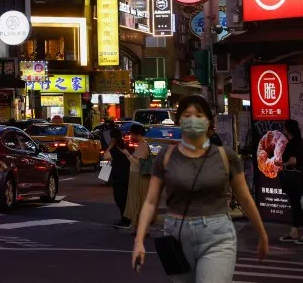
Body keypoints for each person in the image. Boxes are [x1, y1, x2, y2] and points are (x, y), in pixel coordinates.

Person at [132, 95, 268, 281]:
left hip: (217, 234)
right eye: (187, 115)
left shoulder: (225, 156)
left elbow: (245, 198)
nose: (193, 120)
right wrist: (139, 240)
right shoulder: (166, 156)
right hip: (177, 235)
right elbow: (150, 201)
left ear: (209, 121)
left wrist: (262, 234)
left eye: (199, 115)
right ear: (179, 120)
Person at [279, 119, 303, 244]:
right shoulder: (298, 142)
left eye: (284, 128)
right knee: (295, 204)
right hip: (298, 178)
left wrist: (281, 164)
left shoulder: (293, 143)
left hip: (294, 179)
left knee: (297, 205)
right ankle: (294, 232)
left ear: (288, 129)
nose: (283, 130)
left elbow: (293, 161)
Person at [123, 123, 151, 230]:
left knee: (138, 199)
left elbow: (137, 162)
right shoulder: (142, 144)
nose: (131, 136)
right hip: (137, 175)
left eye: (132, 134)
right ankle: (137, 224)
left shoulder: (143, 145)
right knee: (138, 199)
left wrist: (127, 154)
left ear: (137, 134)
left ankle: (139, 224)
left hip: (138, 176)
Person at [104, 128, 130, 228]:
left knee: (120, 198)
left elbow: (106, 156)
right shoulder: (124, 145)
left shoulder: (116, 148)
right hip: (126, 175)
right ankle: (126, 218)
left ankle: (125, 220)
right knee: (124, 198)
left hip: (118, 176)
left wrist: (110, 145)